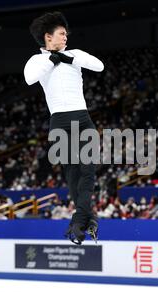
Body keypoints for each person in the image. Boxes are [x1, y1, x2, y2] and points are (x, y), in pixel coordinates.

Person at [24, 12, 104, 244]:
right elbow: (30, 79)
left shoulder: (75, 54)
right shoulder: (36, 61)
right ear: (48, 37)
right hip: (59, 120)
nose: (66, 37)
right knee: (71, 171)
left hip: (82, 117)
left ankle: (80, 217)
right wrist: (53, 59)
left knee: (87, 168)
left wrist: (69, 58)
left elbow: (99, 66)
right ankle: (86, 219)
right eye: (61, 34)